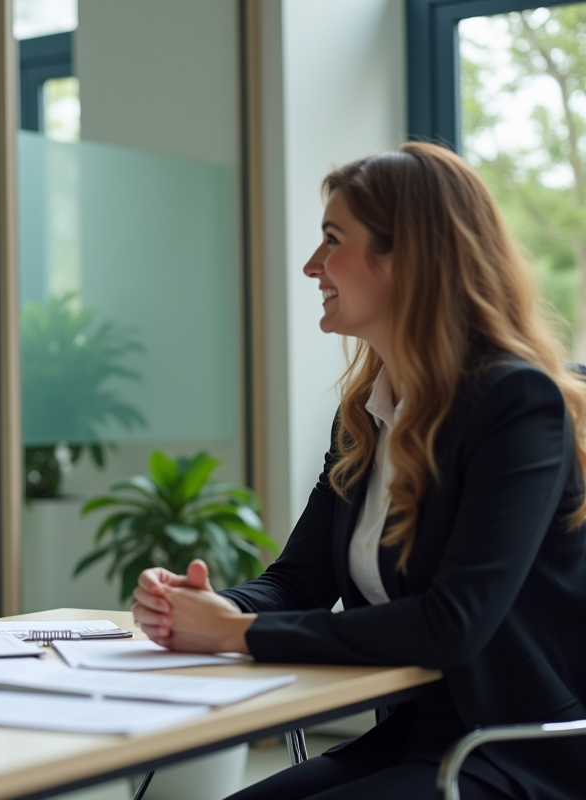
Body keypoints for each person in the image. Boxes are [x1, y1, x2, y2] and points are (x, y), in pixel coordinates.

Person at [132, 143, 586, 800]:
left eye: (332, 239)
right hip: (417, 735)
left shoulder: (515, 405)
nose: (311, 265)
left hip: (517, 747)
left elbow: (452, 623)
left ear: (405, 258)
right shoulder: (365, 418)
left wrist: (237, 634)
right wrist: (211, 607)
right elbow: (300, 580)